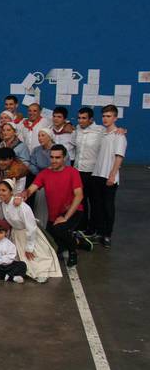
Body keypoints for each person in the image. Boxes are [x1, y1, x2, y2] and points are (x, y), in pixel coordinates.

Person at [22, 144, 86, 266]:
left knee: (59, 229)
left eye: (58, 157)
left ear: (64, 158)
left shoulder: (72, 172)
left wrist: (65, 217)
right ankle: (77, 241)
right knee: (50, 244)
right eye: (52, 157)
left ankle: (73, 252)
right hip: (54, 217)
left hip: (73, 212)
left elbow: (79, 196)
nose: (54, 160)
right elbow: (31, 189)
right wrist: (25, 194)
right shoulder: (44, 174)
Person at [0, 179, 61, 283]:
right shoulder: (3, 203)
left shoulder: (22, 207)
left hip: (28, 234)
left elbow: (31, 228)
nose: (0, 193)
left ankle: (40, 272)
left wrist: (29, 247)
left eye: (4, 190)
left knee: (33, 259)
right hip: (16, 235)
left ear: (11, 191)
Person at [90, 105, 126, 248]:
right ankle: (99, 232)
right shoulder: (103, 133)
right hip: (97, 174)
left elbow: (119, 157)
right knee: (98, 206)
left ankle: (107, 235)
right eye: (104, 116)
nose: (105, 119)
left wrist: (112, 175)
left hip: (109, 176)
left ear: (115, 118)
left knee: (108, 207)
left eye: (109, 116)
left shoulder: (119, 136)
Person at [70, 107, 104, 238]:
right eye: (79, 118)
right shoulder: (77, 130)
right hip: (78, 170)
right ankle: (82, 226)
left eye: (84, 118)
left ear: (91, 119)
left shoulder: (100, 131)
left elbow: (112, 134)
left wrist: (121, 130)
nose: (80, 121)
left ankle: (94, 228)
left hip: (92, 171)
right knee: (80, 200)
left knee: (94, 201)